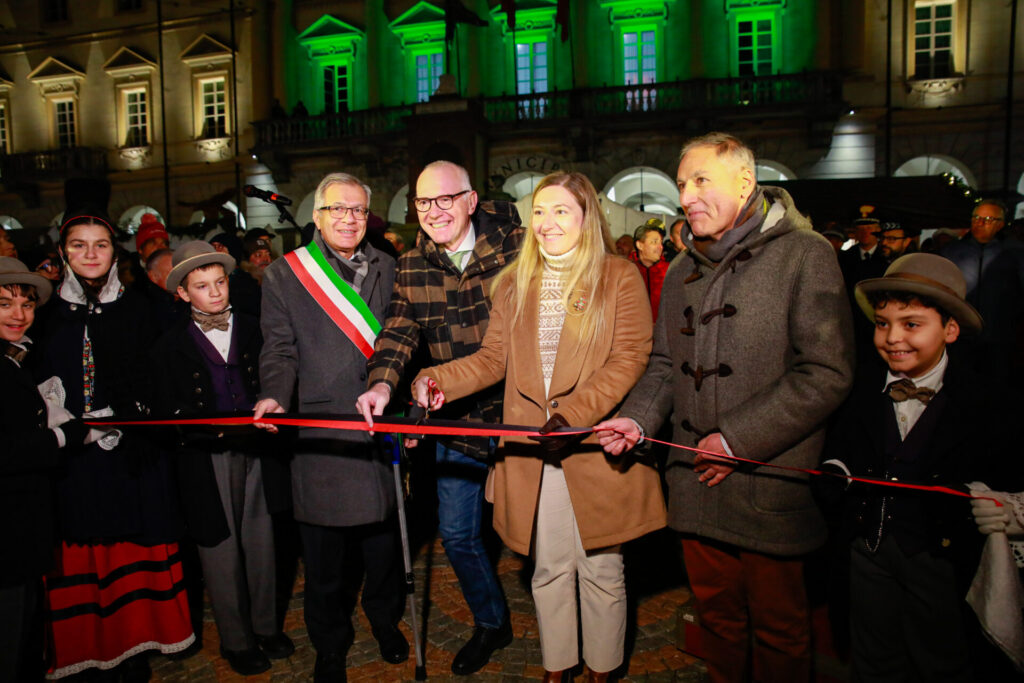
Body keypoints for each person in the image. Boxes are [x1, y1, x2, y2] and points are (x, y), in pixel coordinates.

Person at [595, 132, 854, 683]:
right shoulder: (684, 269)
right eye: (683, 184)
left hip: (768, 489)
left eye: (700, 181)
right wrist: (636, 419)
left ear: (745, 181)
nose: (686, 196)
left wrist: (738, 440)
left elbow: (827, 372)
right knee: (718, 623)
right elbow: (665, 366)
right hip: (694, 485)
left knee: (781, 631)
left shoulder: (805, 255)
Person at [409, 171, 665, 682]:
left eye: (561, 211)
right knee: (547, 569)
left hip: (594, 445)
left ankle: (602, 669)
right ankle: (558, 666)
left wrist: (576, 413)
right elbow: (491, 360)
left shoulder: (618, 277)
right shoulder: (515, 281)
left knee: (601, 569)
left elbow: (630, 356)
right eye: (540, 213)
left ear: (587, 216)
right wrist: (437, 380)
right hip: (532, 447)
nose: (547, 223)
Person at [356, 160, 521, 675]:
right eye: (424, 202)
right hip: (458, 416)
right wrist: (382, 383)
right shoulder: (411, 265)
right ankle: (492, 622)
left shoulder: (518, 248)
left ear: (471, 201)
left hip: (522, 410)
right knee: (456, 533)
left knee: (540, 530)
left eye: (445, 199)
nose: (434, 212)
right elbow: (400, 332)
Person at [818, 253, 1016, 682]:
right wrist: (836, 470)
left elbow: (1002, 476)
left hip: (941, 560)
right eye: (882, 323)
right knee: (874, 658)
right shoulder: (859, 387)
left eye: (911, 324)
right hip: (866, 551)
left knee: (941, 659)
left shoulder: (984, 403)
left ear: (950, 329)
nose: (892, 338)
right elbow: (841, 445)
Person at [32, 181, 194, 680]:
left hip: (134, 457)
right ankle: (88, 651)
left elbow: (165, 377)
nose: (91, 254)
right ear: (63, 252)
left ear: (114, 251)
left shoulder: (143, 309)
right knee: (83, 553)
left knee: (134, 547)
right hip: (72, 464)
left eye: (100, 244)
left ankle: (135, 646)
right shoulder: (44, 317)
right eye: (78, 245)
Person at [254, 172, 406, 682]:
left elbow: (406, 342)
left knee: (384, 546)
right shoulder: (284, 275)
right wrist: (274, 396)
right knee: (323, 562)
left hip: (378, 423)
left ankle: (384, 620)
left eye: (359, 210)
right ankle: (330, 642)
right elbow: (279, 350)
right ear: (316, 216)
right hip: (320, 432)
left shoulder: (390, 266)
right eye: (337, 209)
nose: (348, 218)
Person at [154, 241, 293, 676]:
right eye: (201, 286)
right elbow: (165, 408)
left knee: (263, 542)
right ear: (182, 293)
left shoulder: (255, 327)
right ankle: (236, 640)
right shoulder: (168, 345)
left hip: (257, 447)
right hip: (206, 457)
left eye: (219, 283)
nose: (215, 293)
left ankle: (267, 627)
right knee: (220, 549)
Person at [0, 257, 86, 682]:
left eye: (27, 305)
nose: (19, 315)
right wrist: (61, 437)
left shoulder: (17, 358)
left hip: (22, 529)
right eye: (5, 304)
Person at [942, 199, 1024, 379]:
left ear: (1000, 224)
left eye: (987, 219)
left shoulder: (1015, 253)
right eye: (976, 218)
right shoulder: (952, 252)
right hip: (960, 336)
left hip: (1000, 338)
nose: (980, 223)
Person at [630, 221, 669, 320]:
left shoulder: (669, 271)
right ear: (640, 245)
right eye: (654, 242)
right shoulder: (628, 271)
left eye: (661, 242)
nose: (660, 247)